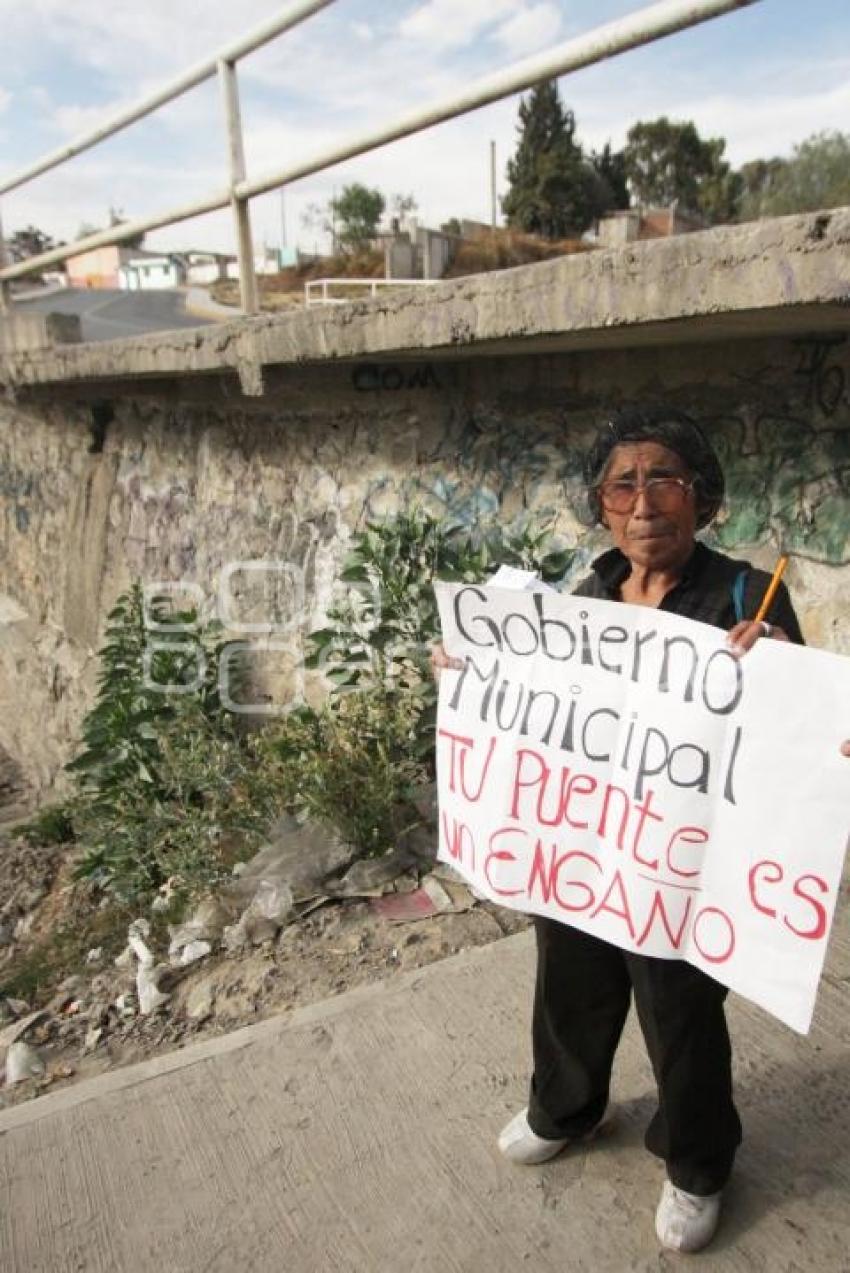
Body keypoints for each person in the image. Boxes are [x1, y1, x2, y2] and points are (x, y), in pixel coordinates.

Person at [432, 406, 803, 1254]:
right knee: (568, 982)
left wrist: (784, 666)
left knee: (679, 1009)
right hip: (585, 851)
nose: (644, 502)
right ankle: (565, 1106)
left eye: (665, 479)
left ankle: (697, 1163)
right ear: (602, 507)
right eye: (622, 484)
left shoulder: (747, 596)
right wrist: (467, 671)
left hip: (681, 867)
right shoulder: (582, 600)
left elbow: (800, 730)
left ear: (703, 501)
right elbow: (526, 708)